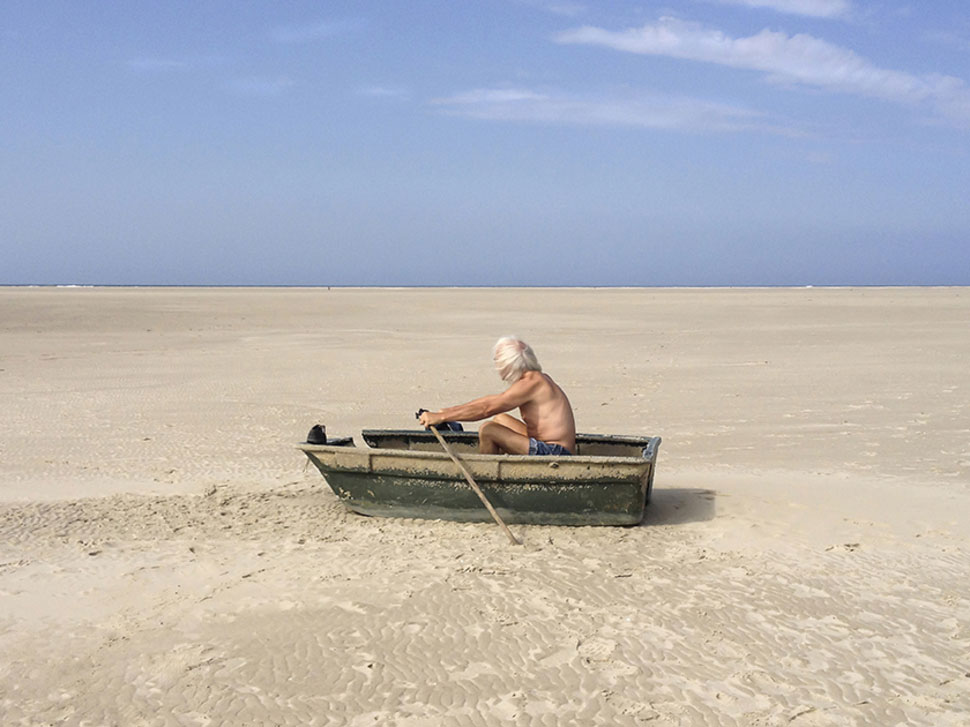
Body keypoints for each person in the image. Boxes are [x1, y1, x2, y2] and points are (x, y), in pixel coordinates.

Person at [418, 336, 576, 455]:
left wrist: (443, 418)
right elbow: (491, 401)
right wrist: (446, 413)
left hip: (555, 453)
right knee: (501, 419)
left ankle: (486, 478)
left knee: (488, 430)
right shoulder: (534, 378)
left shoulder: (531, 384)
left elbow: (487, 409)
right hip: (545, 443)